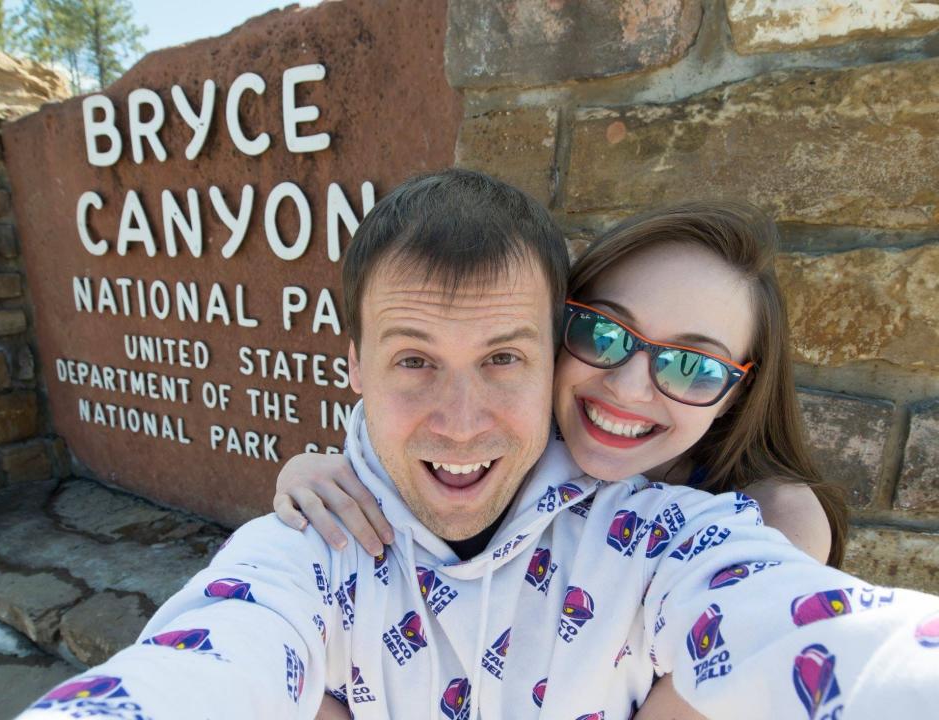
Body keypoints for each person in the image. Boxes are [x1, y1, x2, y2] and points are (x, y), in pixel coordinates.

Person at [20, 170, 939, 720]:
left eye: (502, 357)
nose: (460, 421)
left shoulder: (690, 534)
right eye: (415, 360)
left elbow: (837, 642)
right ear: (352, 366)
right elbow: (199, 662)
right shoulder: (310, 542)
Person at [271, 200, 848, 720]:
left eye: (692, 366)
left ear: (735, 395)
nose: (626, 388)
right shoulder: (519, 450)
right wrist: (323, 468)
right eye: (602, 332)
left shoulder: (775, 520)